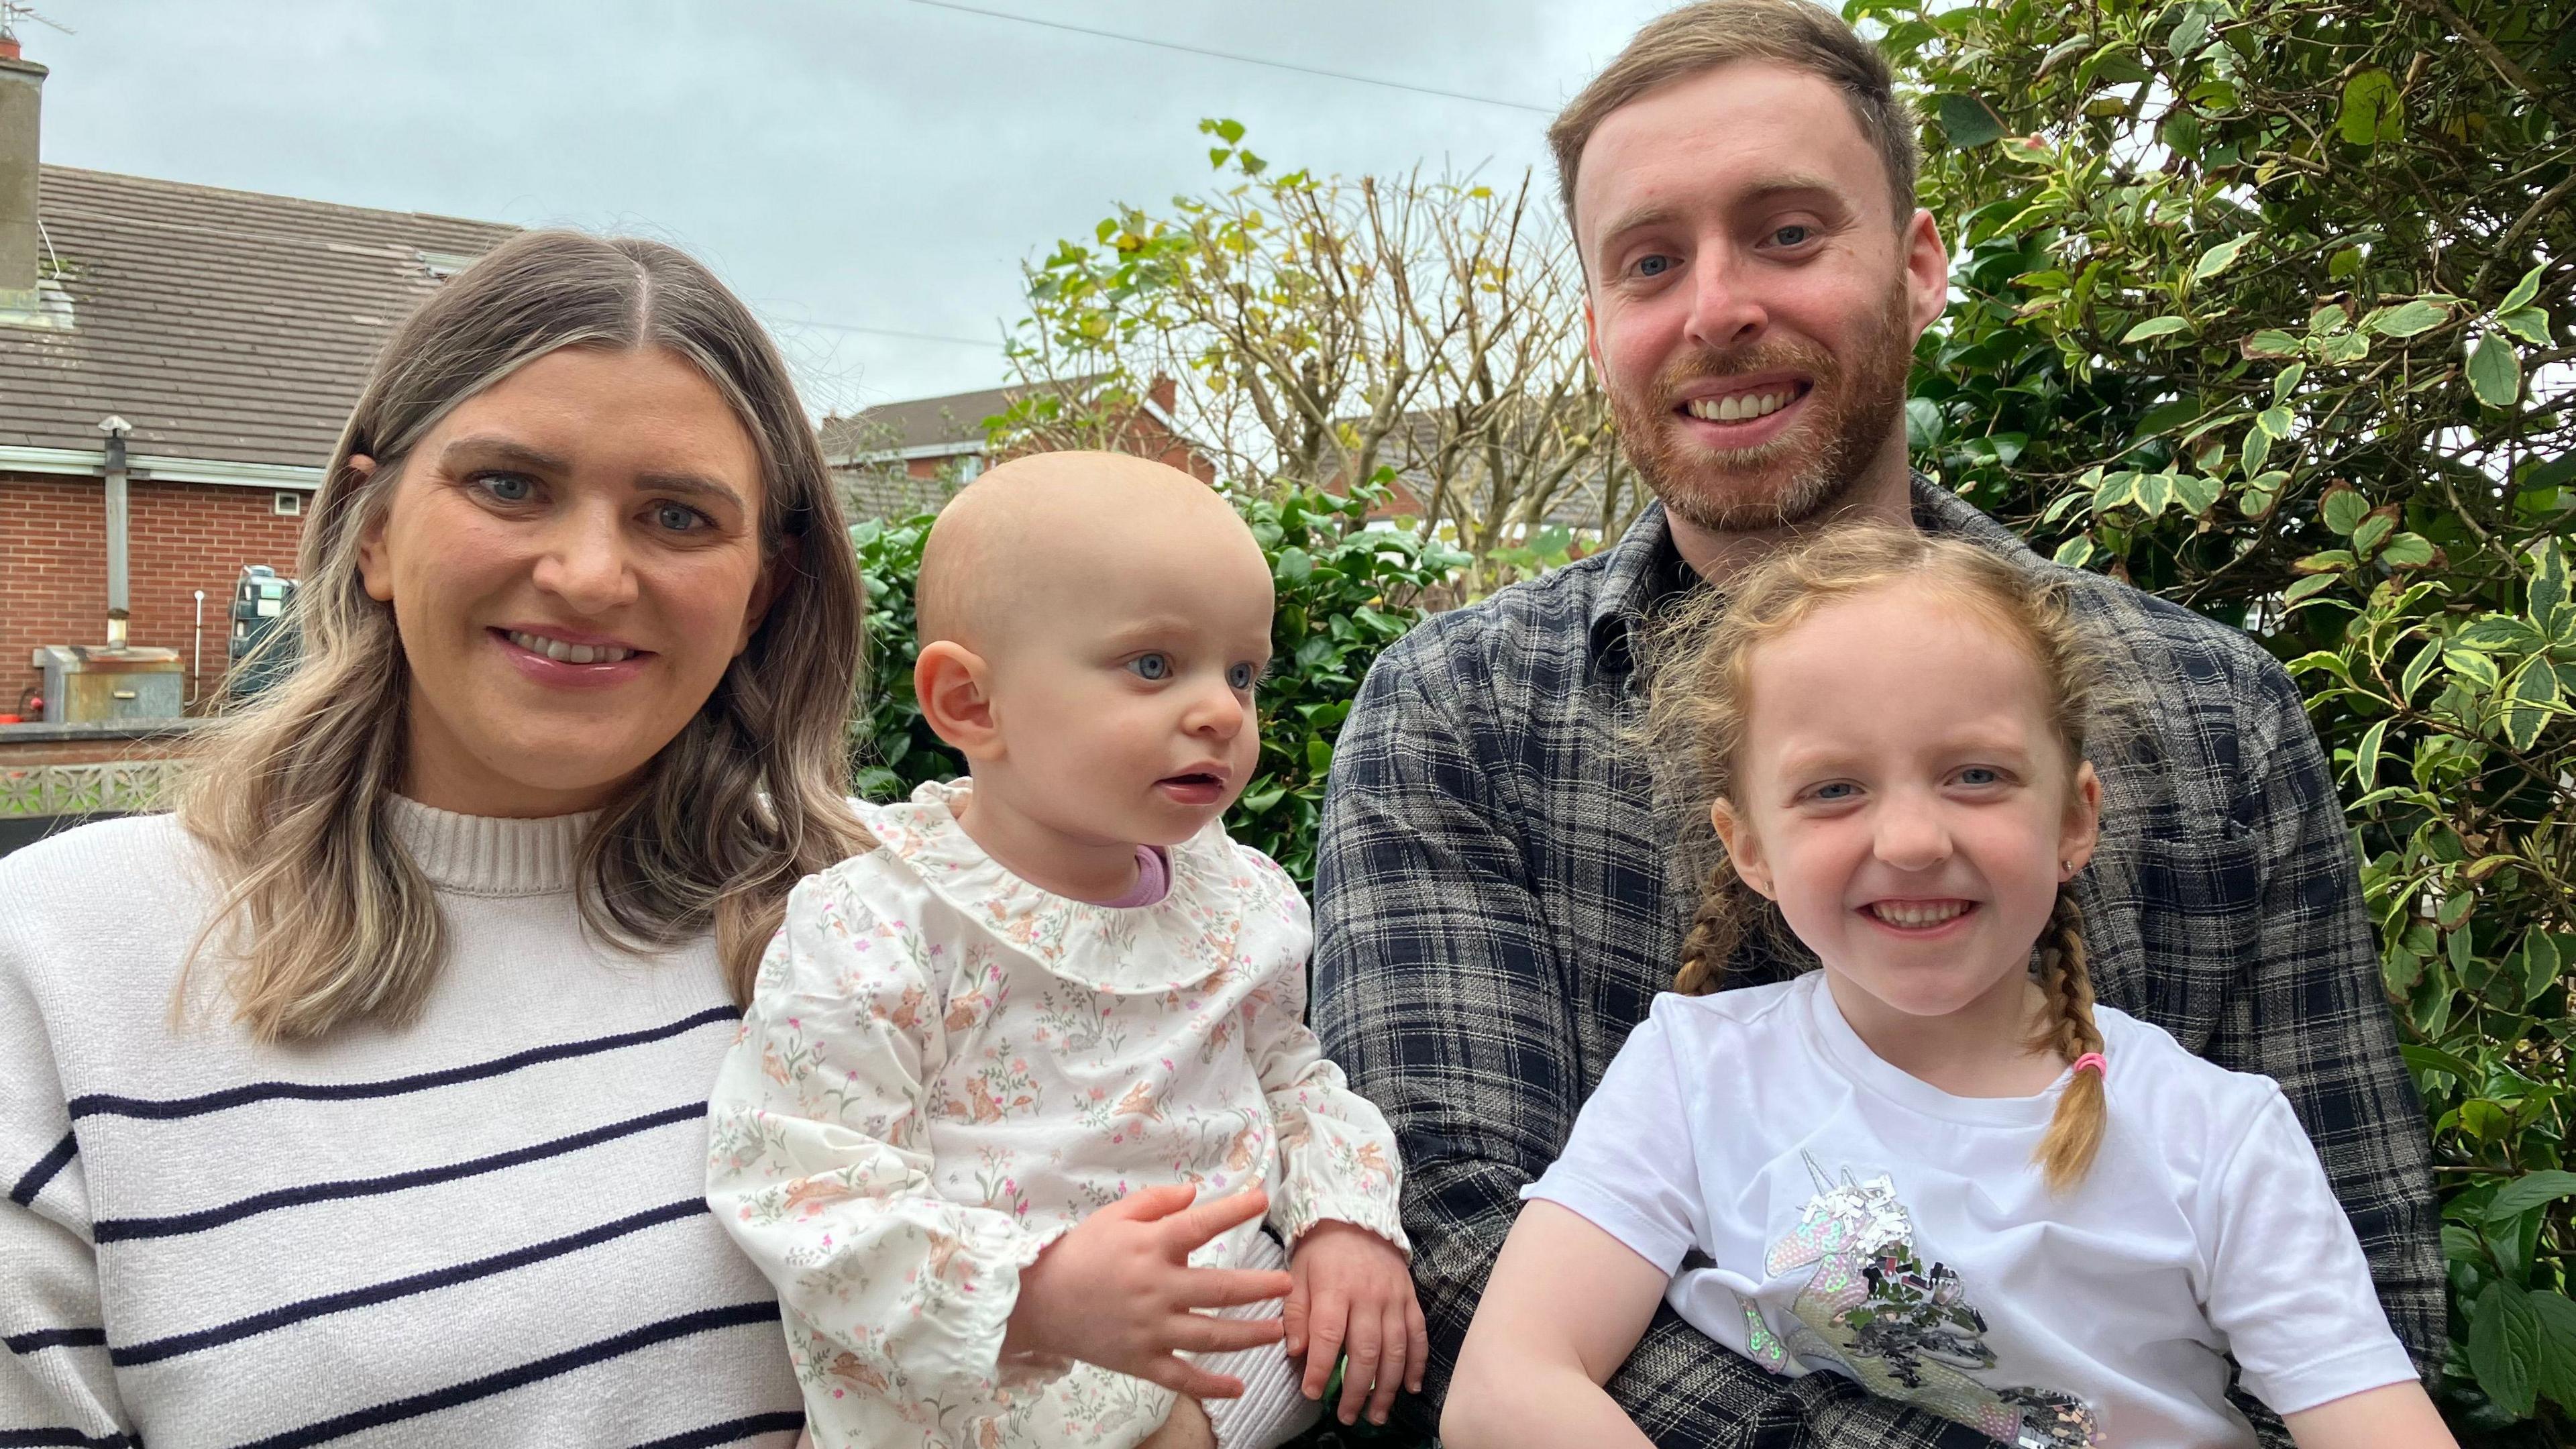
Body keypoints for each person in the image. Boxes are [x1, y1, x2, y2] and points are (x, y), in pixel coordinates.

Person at [1309, 1, 2441, 1443]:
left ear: (1917, 271)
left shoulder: (2214, 714)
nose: (1717, 307)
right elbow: (1461, 1261)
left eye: (1787, 233)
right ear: (1600, 324)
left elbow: (2363, 1281)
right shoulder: (1453, 716)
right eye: (1650, 262)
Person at [0, 229, 870, 1446]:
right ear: (372, 530)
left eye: (677, 516)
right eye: (509, 486)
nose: (586, 573)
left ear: (762, 592)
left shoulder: (901, 914)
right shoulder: (65, 954)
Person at [1441, 527, 2454, 1449]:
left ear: (2074, 819)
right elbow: (1508, 1387)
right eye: (1834, 789)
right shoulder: (1691, 1074)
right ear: (1748, 846)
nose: (1915, 842)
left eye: (1976, 775)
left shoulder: (2219, 1135)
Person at [706, 453, 1424, 1449]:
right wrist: (1035, 1294)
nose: (1222, 709)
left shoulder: (1240, 901)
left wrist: (1345, 1220)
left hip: (1234, 1375)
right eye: (1154, 665)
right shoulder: (881, 929)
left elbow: (1289, 1078)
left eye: (1243, 670)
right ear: (969, 704)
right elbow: (801, 1185)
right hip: (983, 1387)